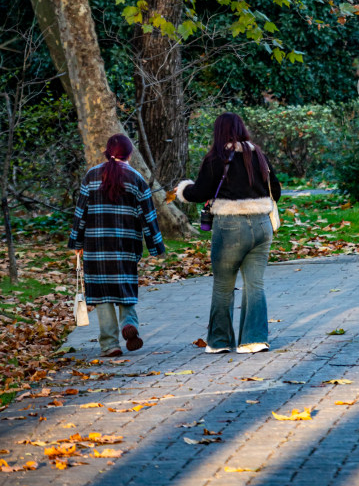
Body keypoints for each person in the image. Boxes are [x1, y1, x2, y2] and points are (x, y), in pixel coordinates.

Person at [176, 112, 281, 354]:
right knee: (255, 284)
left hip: (230, 227)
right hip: (262, 226)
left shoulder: (217, 158)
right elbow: (275, 191)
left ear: (218, 132)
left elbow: (199, 192)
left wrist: (183, 189)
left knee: (224, 285)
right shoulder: (259, 156)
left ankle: (220, 341)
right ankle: (254, 340)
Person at [68, 134, 165, 356]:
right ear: (129, 154)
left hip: (96, 247)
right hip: (126, 246)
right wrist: (156, 247)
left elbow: (80, 212)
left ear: (106, 151)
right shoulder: (137, 178)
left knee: (102, 295)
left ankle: (110, 344)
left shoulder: (91, 176)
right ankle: (128, 325)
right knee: (125, 288)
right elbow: (148, 216)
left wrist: (76, 242)